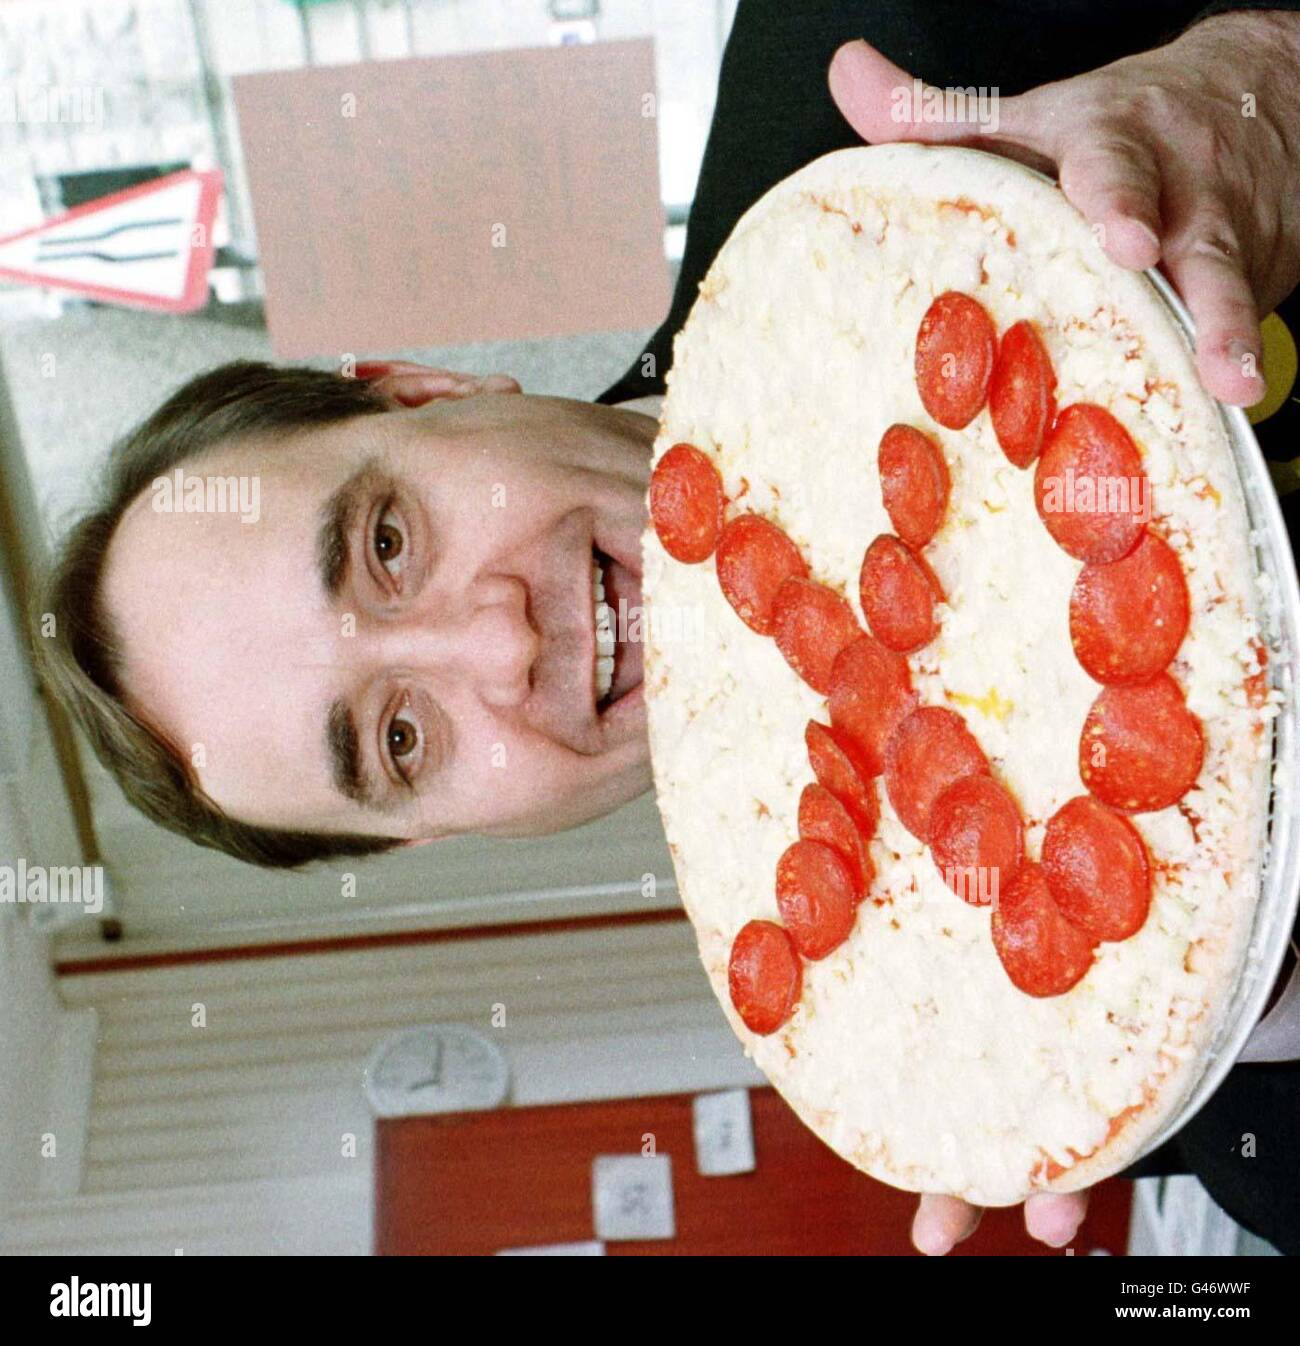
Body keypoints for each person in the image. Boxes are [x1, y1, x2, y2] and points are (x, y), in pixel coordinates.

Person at [32, 1, 1300, 1253]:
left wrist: (1266, 82)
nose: (498, 647)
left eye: (386, 542)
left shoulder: (877, 38)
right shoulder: (1143, 1069)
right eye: (401, 737)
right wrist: (1260, 979)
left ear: (428, 388)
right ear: (434, 831)